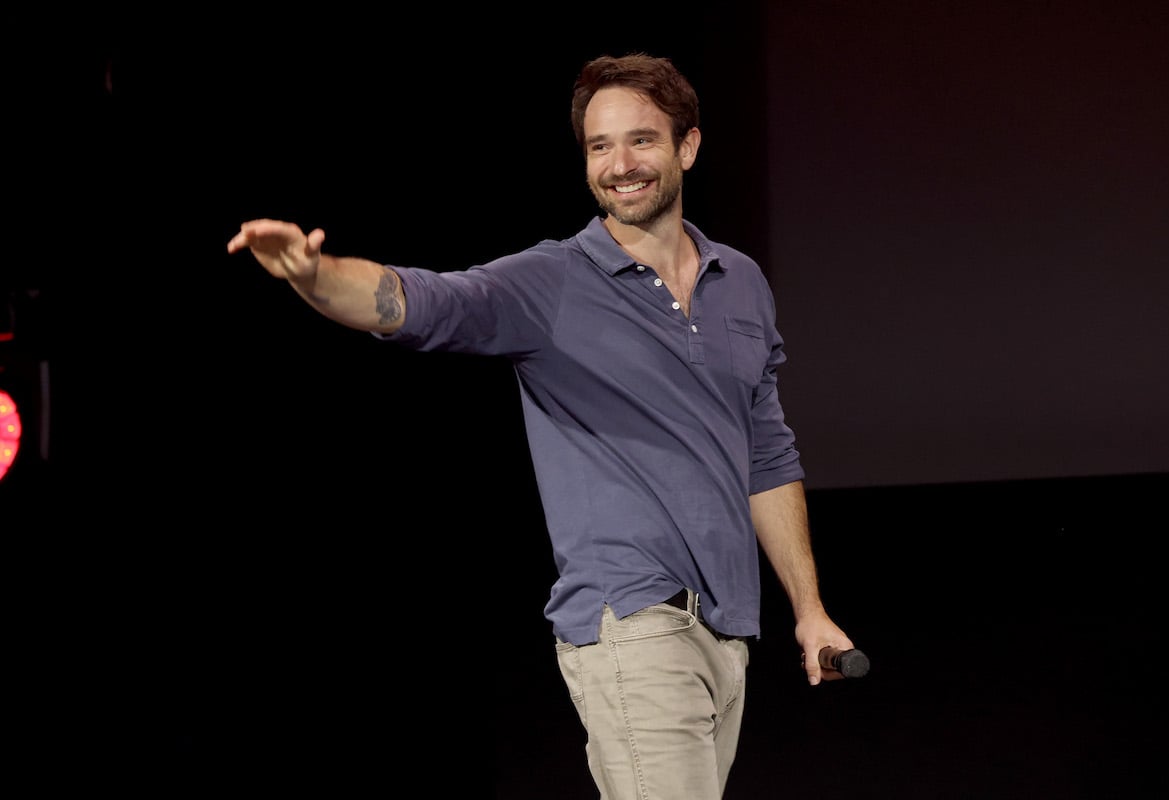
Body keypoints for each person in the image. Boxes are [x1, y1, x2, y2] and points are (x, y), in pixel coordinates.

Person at [227, 52, 855, 800]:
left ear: (687, 147)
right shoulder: (553, 282)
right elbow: (420, 302)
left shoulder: (741, 282)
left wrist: (809, 611)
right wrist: (315, 276)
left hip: (728, 629)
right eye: (599, 146)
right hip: (632, 621)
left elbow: (768, 456)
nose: (619, 165)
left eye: (642, 141)